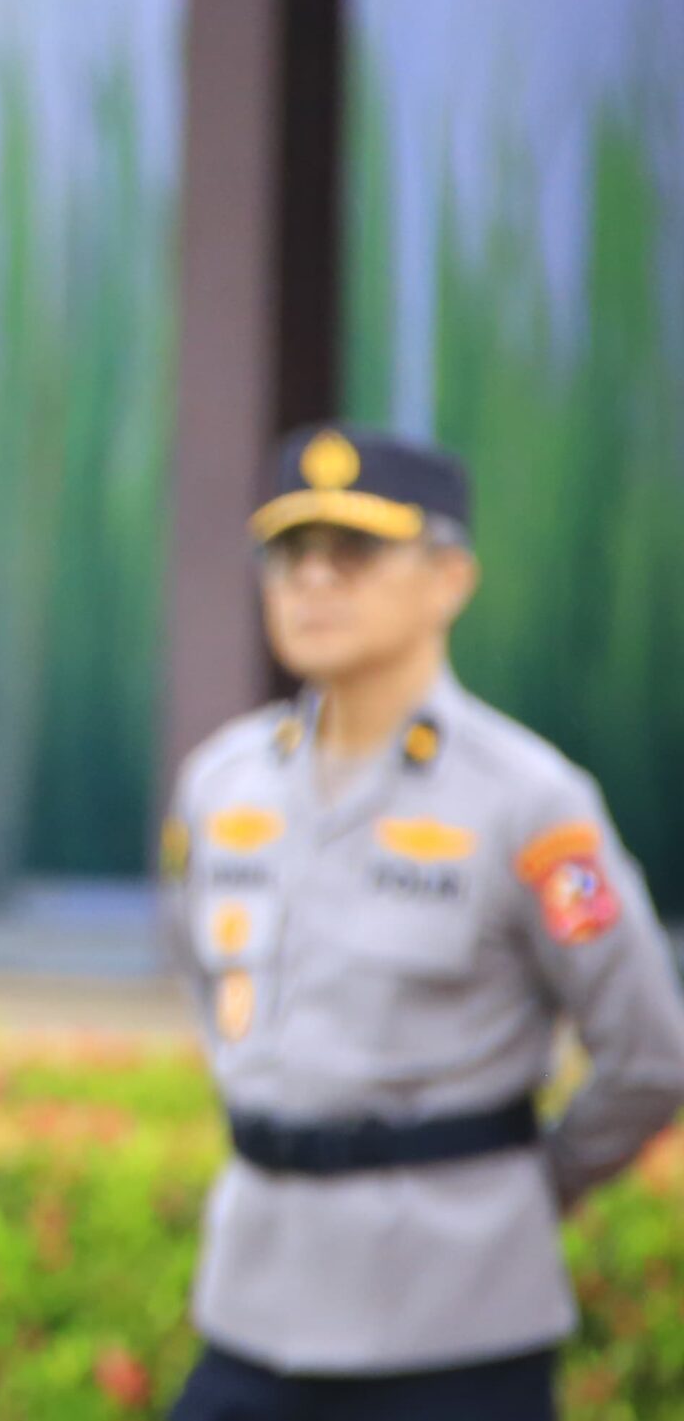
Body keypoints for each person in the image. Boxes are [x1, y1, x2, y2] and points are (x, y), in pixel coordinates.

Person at [163, 424, 684, 1421]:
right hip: (253, 1310)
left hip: (454, 1327)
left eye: (354, 552)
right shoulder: (220, 783)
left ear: (450, 578)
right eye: (289, 553)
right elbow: (210, 989)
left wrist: (507, 1192)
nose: (313, 580)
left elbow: (649, 1053)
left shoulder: (527, 801)